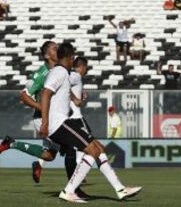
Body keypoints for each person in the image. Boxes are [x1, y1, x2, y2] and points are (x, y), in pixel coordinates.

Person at [39, 43, 141, 203]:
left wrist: (76, 98)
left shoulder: (63, 73)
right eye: (73, 57)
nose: (73, 60)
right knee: (93, 150)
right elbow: (45, 94)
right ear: (70, 57)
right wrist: (45, 122)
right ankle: (69, 191)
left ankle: (120, 189)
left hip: (63, 122)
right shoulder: (59, 72)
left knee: (98, 149)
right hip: (58, 124)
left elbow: (58, 93)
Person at [0, 42, 88, 198]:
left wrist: (76, 98)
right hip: (44, 119)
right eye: (54, 48)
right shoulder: (42, 73)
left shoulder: (60, 71)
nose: (57, 49)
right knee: (71, 148)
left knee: (49, 156)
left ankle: (12, 143)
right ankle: (73, 190)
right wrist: (43, 108)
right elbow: (24, 96)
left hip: (55, 118)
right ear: (47, 55)